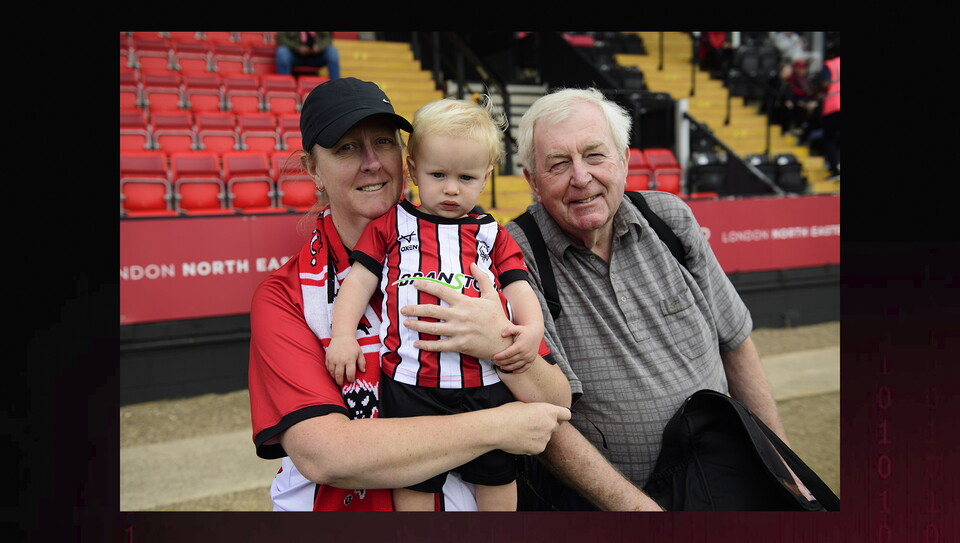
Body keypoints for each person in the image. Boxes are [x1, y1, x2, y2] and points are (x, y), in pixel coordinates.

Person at [247, 77, 573, 511]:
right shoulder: (283, 296)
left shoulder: (469, 252)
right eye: (345, 147)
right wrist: (497, 426)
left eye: (382, 142)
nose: (371, 163)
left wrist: (498, 343)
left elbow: (553, 404)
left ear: (405, 158)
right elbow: (326, 454)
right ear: (311, 168)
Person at [496, 87, 809, 510]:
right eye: (558, 164)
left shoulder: (670, 219)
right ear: (532, 181)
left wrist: (782, 468)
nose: (581, 177)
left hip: (726, 480)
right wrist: (643, 514)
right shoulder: (513, 255)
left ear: (624, 160)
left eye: (595, 155)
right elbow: (545, 421)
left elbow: (735, 343)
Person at [326, 97, 552, 511]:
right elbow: (357, 283)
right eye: (437, 174)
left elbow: (520, 288)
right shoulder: (392, 224)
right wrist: (342, 335)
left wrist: (531, 329)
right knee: (413, 481)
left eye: (466, 177)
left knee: (498, 477)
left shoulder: (491, 234)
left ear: (486, 177)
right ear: (412, 170)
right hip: (411, 382)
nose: (451, 188)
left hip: (483, 383)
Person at [816, 49, 840, 181]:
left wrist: (817, 90)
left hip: (833, 106)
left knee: (829, 138)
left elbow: (824, 84)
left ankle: (834, 170)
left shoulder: (830, 65)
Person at [274, 31, 340, 79]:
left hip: (316, 57)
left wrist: (319, 47)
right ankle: (284, 84)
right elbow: (280, 39)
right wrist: (297, 48)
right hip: (295, 56)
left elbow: (328, 38)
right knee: (282, 51)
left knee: (332, 51)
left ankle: (336, 86)